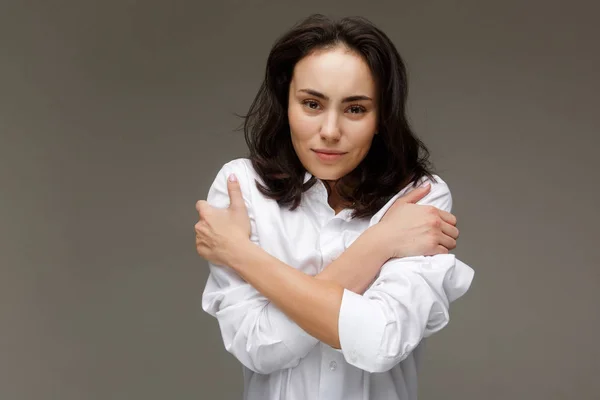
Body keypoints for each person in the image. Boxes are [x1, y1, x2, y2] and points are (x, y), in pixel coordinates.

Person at [194, 14, 474, 400]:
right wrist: (381, 244)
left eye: (355, 109)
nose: (329, 130)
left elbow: (380, 341)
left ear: (380, 117)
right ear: (285, 103)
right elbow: (259, 347)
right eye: (312, 104)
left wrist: (239, 253)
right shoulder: (241, 188)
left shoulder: (419, 198)